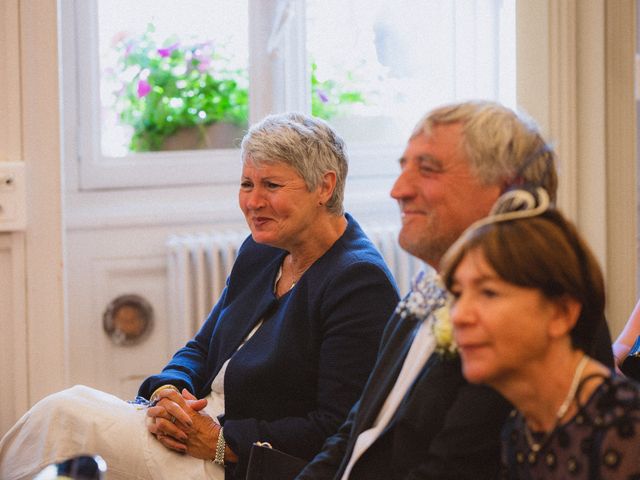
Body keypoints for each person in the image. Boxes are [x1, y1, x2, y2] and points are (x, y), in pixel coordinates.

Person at [0, 113, 400, 480]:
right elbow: (204, 346)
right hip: (192, 432)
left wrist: (223, 441)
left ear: (325, 187)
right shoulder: (262, 249)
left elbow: (336, 427)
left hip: (235, 463)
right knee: (71, 411)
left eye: (271, 185)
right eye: (247, 184)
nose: (253, 201)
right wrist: (167, 392)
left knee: (65, 416)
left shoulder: (358, 281)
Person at [295, 100, 614, 480]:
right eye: (403, 168)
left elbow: (453, 468)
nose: (398, 191)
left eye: (427, 169)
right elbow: (356, 432)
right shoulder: (428, 289)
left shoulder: (528, 316)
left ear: (507, 189)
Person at [441, 187, 640, 478]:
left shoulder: (628, 430)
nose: (459, 315)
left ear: (561, 313)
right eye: (457, 294)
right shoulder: (521, 428)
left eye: (488, 293)